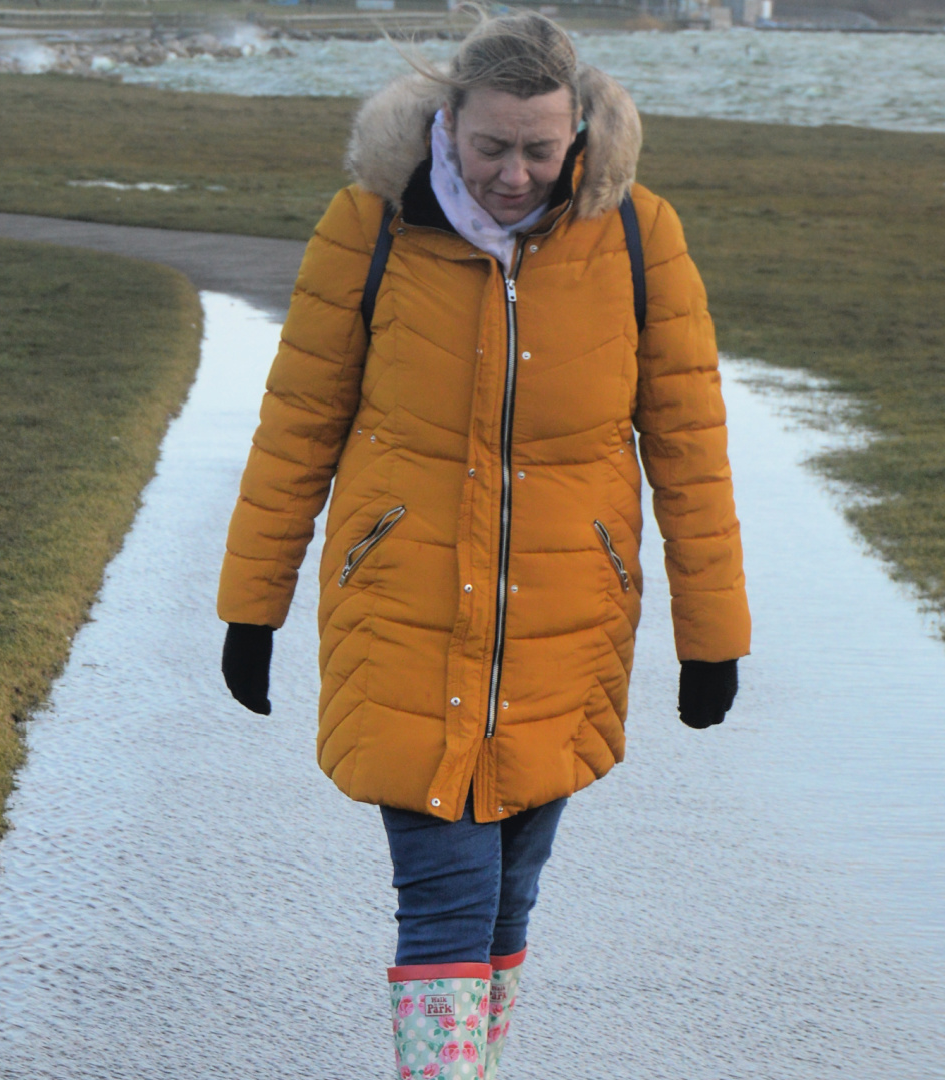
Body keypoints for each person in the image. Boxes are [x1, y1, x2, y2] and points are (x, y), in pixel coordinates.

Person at [216, 11, 749, 1079]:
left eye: (539, 150)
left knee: (511, 886)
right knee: (448, 897)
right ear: (446, 123)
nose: (514, 175)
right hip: (404, 616)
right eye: (492, 146)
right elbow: (296, 425)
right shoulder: (369, 226)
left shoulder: (641, 236)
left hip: (566, 628)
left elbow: (689, 445)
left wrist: (712, 637)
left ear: (580, 134)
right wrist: (251, 606)